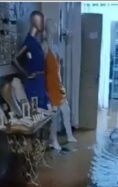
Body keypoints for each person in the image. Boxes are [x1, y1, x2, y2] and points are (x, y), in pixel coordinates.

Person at [43, 18, 77, 146]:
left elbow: (59, 68)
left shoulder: (56, 47)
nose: (55, 28)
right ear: (47, 28)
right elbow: (42, 68)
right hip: (50, 87)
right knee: (54, 116)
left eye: (56, 25)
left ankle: (69, 135)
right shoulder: (44, 46)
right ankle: (54, 140)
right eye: (53, 25)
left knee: (66, 111)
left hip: (58, 85)